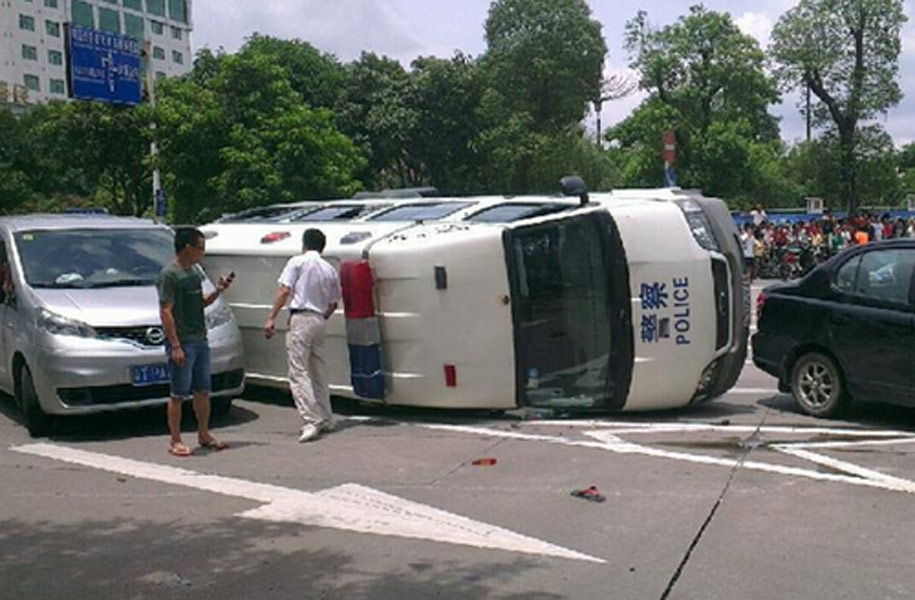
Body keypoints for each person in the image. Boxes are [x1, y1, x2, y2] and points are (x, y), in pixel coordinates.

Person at [157, 227, 234, 457]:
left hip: (200, 339)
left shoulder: (193, 273)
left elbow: (200, 302)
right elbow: (166, 312)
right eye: (200, 248)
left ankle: (204, 433)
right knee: (178, 393)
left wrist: (219, 290)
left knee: (203, 390)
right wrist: (176, 345)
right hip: (183, 342)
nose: (203, 253)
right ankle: (175, 440)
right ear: (188, 248)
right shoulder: (170, 275)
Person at [264, 228, 341, 443]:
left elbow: (284, 290)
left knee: (298, 370)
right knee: (318, 369)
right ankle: (326, 416)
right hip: (319, 319)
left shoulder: (297, 262)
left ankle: (311, 419)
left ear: (304, 244)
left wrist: (272, 317)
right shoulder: (329, 269)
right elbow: (334, 303)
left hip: (301, 316)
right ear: (322, 247)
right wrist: (321, 317)